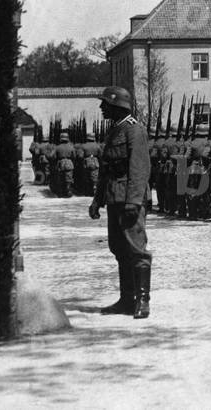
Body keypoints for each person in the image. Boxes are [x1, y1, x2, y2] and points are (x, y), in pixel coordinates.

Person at [88, 87, 152, 319]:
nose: (102, 108)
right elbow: (106, 171)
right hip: (114, 197)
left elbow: (139, 169)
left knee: (136, 249)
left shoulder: (134, 130)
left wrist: (134, 201)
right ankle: (127, 299)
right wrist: (97, 200)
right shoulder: (115, 131)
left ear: (117, 105)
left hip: (128, 199)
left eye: (105, 104)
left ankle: (143, 300)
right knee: (119, 249)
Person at [53, 132, 75, 197]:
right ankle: (68, 190)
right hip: (69, 163)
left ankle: (61, 192)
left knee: (60, 178)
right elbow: (74, 156)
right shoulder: (71, 147)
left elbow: (54, 156)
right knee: (68, 178)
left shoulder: (57, 147)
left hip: (60, 163)